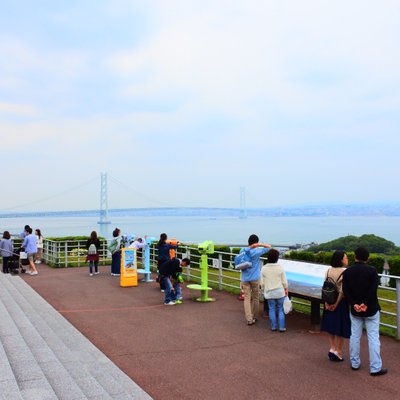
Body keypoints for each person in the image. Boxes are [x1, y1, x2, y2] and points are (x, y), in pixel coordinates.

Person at [342, 247, 387, 376]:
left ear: (355, 256)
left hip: (355, 310)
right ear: (367, 258)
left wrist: (354, 304)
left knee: (355, 336)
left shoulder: (348, 272)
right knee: (373, 338)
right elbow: (373, 289)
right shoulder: (372, 271)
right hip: (371, 309)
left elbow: (346, 290)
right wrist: (365, 304)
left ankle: (355, 363)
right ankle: (375, 367)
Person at [320, 251, 351, 361]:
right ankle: (338, 351)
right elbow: (342, 291)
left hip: (328, 300)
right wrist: (336, 304)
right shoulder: (345, 272)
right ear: (341, 260)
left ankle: (332, 348)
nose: (347, 260)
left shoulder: (328, 270)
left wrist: (327, 303)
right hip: (340, 302)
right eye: (346, 258)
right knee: (340, 327)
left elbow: (325, 287)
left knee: (331, 326)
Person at [241, 234, 271, 325]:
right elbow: (269, 247)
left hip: (245, 278)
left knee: (246, 298)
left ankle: (249, 319)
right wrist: (259, 245)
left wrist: (252, 246)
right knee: (255, 297)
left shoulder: (242, 250)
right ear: (256, 243)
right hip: (255, 278)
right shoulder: (257, 252)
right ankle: (254, 317)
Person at [260, 248, 288, 332]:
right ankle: (282, 327)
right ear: (277, 258)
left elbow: (262, 283)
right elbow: (284, 281)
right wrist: (286, 289)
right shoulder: (280, 268)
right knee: (280, 309)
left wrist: (263, 290)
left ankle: (273, 327)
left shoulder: (264, 268)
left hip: (269, 292)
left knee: (271, 309)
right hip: (280, 292)